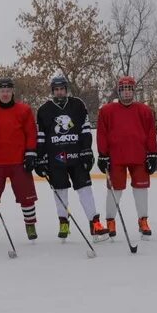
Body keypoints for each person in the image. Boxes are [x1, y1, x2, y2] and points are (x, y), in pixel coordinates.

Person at [35, 73, 102, 240]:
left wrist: (87, 150)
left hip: (77, 156)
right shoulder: (44, 110)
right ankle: (63, 221)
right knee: (60, 190)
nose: (59, 92)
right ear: (52, 91)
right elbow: (41, 136)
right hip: (55, 158)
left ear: (66, 90)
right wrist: (40, 158)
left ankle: (95, 223)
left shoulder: (78, 105)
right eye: (56, 89)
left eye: (62, 89)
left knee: (85, 189)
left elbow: (85, 130)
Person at [0, 76, 39, 241]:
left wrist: (30, 153)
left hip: (19, 161)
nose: (5, 94)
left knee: (26, 195)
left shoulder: (24, 110)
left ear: (13, 92)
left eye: (8, 91)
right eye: (2, 91)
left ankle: (30, 224)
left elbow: (31, 132)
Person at [95, 76, 157, 238]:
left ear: (134, 91)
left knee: (141, 189)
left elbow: (151, 133)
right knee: (115, 190)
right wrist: (103, 155)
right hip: (116, 157)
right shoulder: (106, 111)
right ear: (119, 91)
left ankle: (143, 220)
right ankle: (110, 220)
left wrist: (152, 153)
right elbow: (102, 134)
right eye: (124, 89)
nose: (127, 93)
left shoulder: (145, 111)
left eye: (130, 89)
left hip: (139, 155)